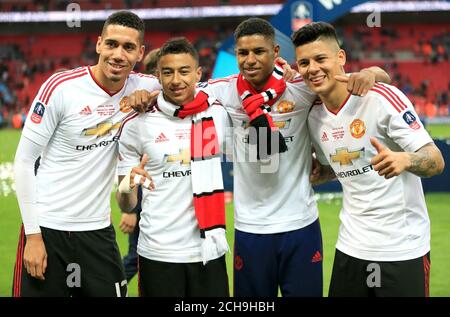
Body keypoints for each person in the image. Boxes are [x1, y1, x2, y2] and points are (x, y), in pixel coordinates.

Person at [126, 17, 391, 297]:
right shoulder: (223, 91)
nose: (250, 60)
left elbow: (357, 80)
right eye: (243, 53)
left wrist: (373, 72)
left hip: (300, 225)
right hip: (250, 229)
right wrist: (148, 92)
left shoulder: (301, 87)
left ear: (276, 53)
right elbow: (178, 88)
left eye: (259, 52)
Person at [12, 11, 160, 297]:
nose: (118, 54)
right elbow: (24, 161)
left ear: (140, 53)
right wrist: (33, 236)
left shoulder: (147, 87)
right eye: (112, 44)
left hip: (97, 230)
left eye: (128, 47)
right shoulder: (62, 88)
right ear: (98, 44)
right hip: (47, 227)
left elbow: (191, 88)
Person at [292, 22, 445, 297]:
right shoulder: (313, 115)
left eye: (320, 58)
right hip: (350, 249)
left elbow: (435, 160)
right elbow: (342, 164)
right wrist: (320, 173)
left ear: (340, 58)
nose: (312, 68)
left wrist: (406, 160)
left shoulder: (381, 98)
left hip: (402, 249)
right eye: (304, 62)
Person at [116, 38, 230, 297]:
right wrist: (127, 186)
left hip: (208, 249)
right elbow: (126, 204)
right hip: (158, 252)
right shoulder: (137, 124)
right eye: (167, 72)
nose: (176, 79)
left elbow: (264, 147)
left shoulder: (218, 114)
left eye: (184, 71)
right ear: (158, 75)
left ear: (198, 74)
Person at [119, 48, 160, 283]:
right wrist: (131, 211)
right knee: (135, 258)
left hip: (165, 206)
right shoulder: (139, 116)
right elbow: (136, 168)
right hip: (143, 202)